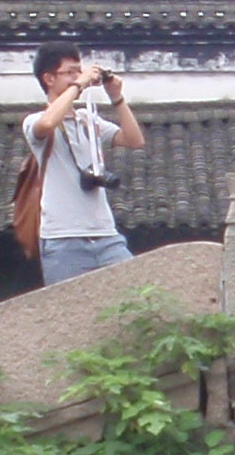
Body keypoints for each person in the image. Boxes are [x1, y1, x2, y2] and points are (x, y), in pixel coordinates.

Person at [25, 38, 145, 282]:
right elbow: (47, 123)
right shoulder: (34, 120)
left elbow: (134, 140)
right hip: (63, 238)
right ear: (49, 79)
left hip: (105, 234)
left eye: (79, 71)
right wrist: (78, 85)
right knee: (67, 312)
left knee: (135, 296)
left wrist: (117, 98)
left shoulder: (87, 119)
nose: (78, 76)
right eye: (70, 72)